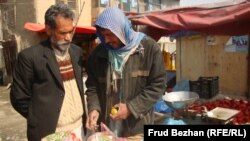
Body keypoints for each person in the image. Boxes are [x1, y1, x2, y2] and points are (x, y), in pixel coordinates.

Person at [85, 7, 166, 140]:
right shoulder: (98, 54)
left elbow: (158, 86)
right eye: (103, 35)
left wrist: (130, 108)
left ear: (121, 29)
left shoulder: (150, 49)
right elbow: (92, 87)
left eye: (110, 34)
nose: (106, 40)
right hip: (107, 129)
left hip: (138, 130)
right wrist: (94, 109)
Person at [10, 3, 86, 141]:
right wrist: (39, 119)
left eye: (71, 31)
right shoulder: (30, 57)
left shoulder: (76, 52)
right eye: (63, 33)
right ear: (49, 30)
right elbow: (18, 98)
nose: (69, 37)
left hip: (79, 128)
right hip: (50, 133)